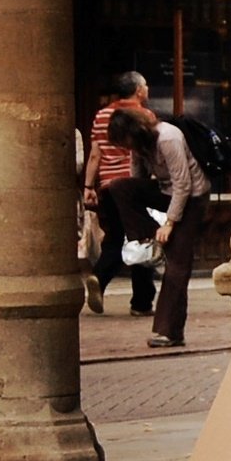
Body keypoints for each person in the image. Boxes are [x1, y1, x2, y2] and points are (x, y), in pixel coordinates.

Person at [103, 104, 210, 348]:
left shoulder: (168, 137)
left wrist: (169, 224)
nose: (127, 148)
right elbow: (137, 178)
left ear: (135, 132)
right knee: (118, 187)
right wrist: (143, 218)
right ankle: (150, 240)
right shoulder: (140, 146)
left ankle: (170, 332)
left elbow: (183, 184)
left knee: (177, 266)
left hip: (191, 198)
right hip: (165, 192)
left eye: (126, 142)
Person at [83, 71, 157, 316]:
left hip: (107, 186)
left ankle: (99, 277)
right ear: (138, 90)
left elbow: (95, 153)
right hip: (133, 187)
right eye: (145, 85)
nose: (147, 89)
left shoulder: (101, 115)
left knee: (114, 238)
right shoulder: (144, 115)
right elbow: (147, 153)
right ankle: (141, 303)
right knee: (142, 239)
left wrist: (88, 186)